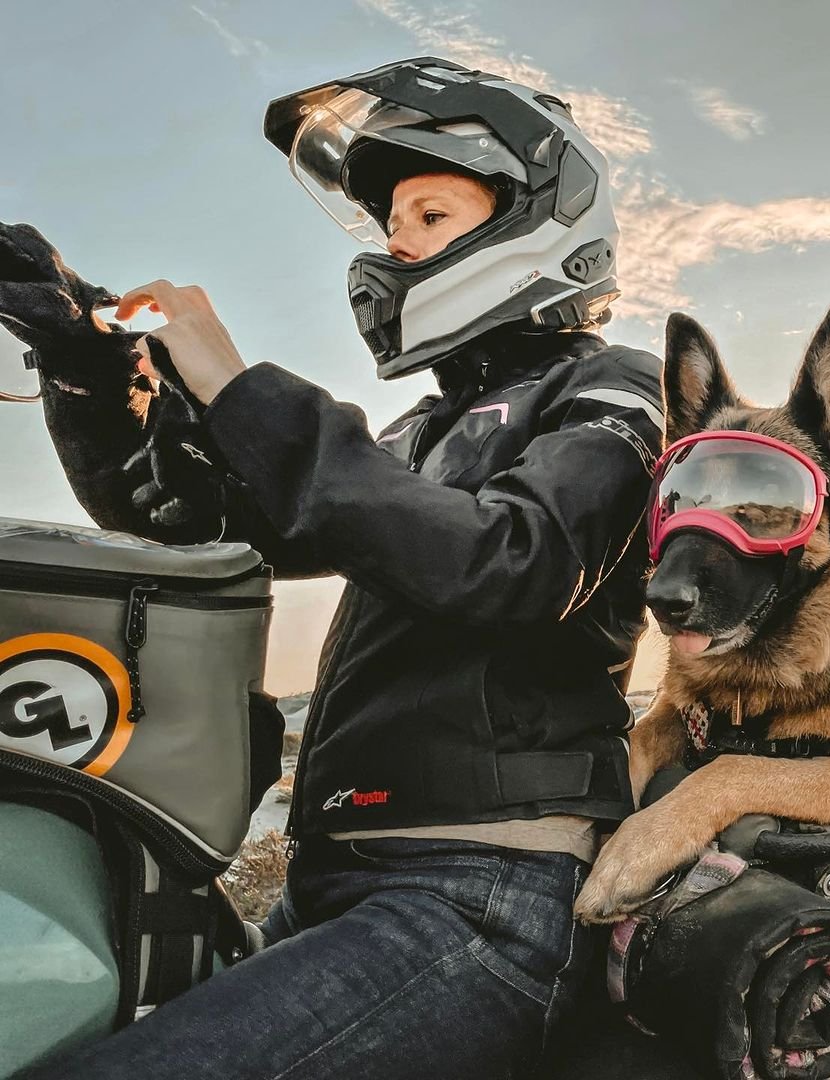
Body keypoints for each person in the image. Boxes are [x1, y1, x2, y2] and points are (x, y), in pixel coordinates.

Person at [15, 58, 663, 1078]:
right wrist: (98, 370)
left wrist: (235, 379)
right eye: (391, 223)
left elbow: (513, 562)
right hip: (338, 881)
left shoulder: (616, 391)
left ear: (539, 220)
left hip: (482, 893)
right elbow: (192, 523)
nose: (395, 245)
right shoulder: (420, 433)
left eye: (429, 212)